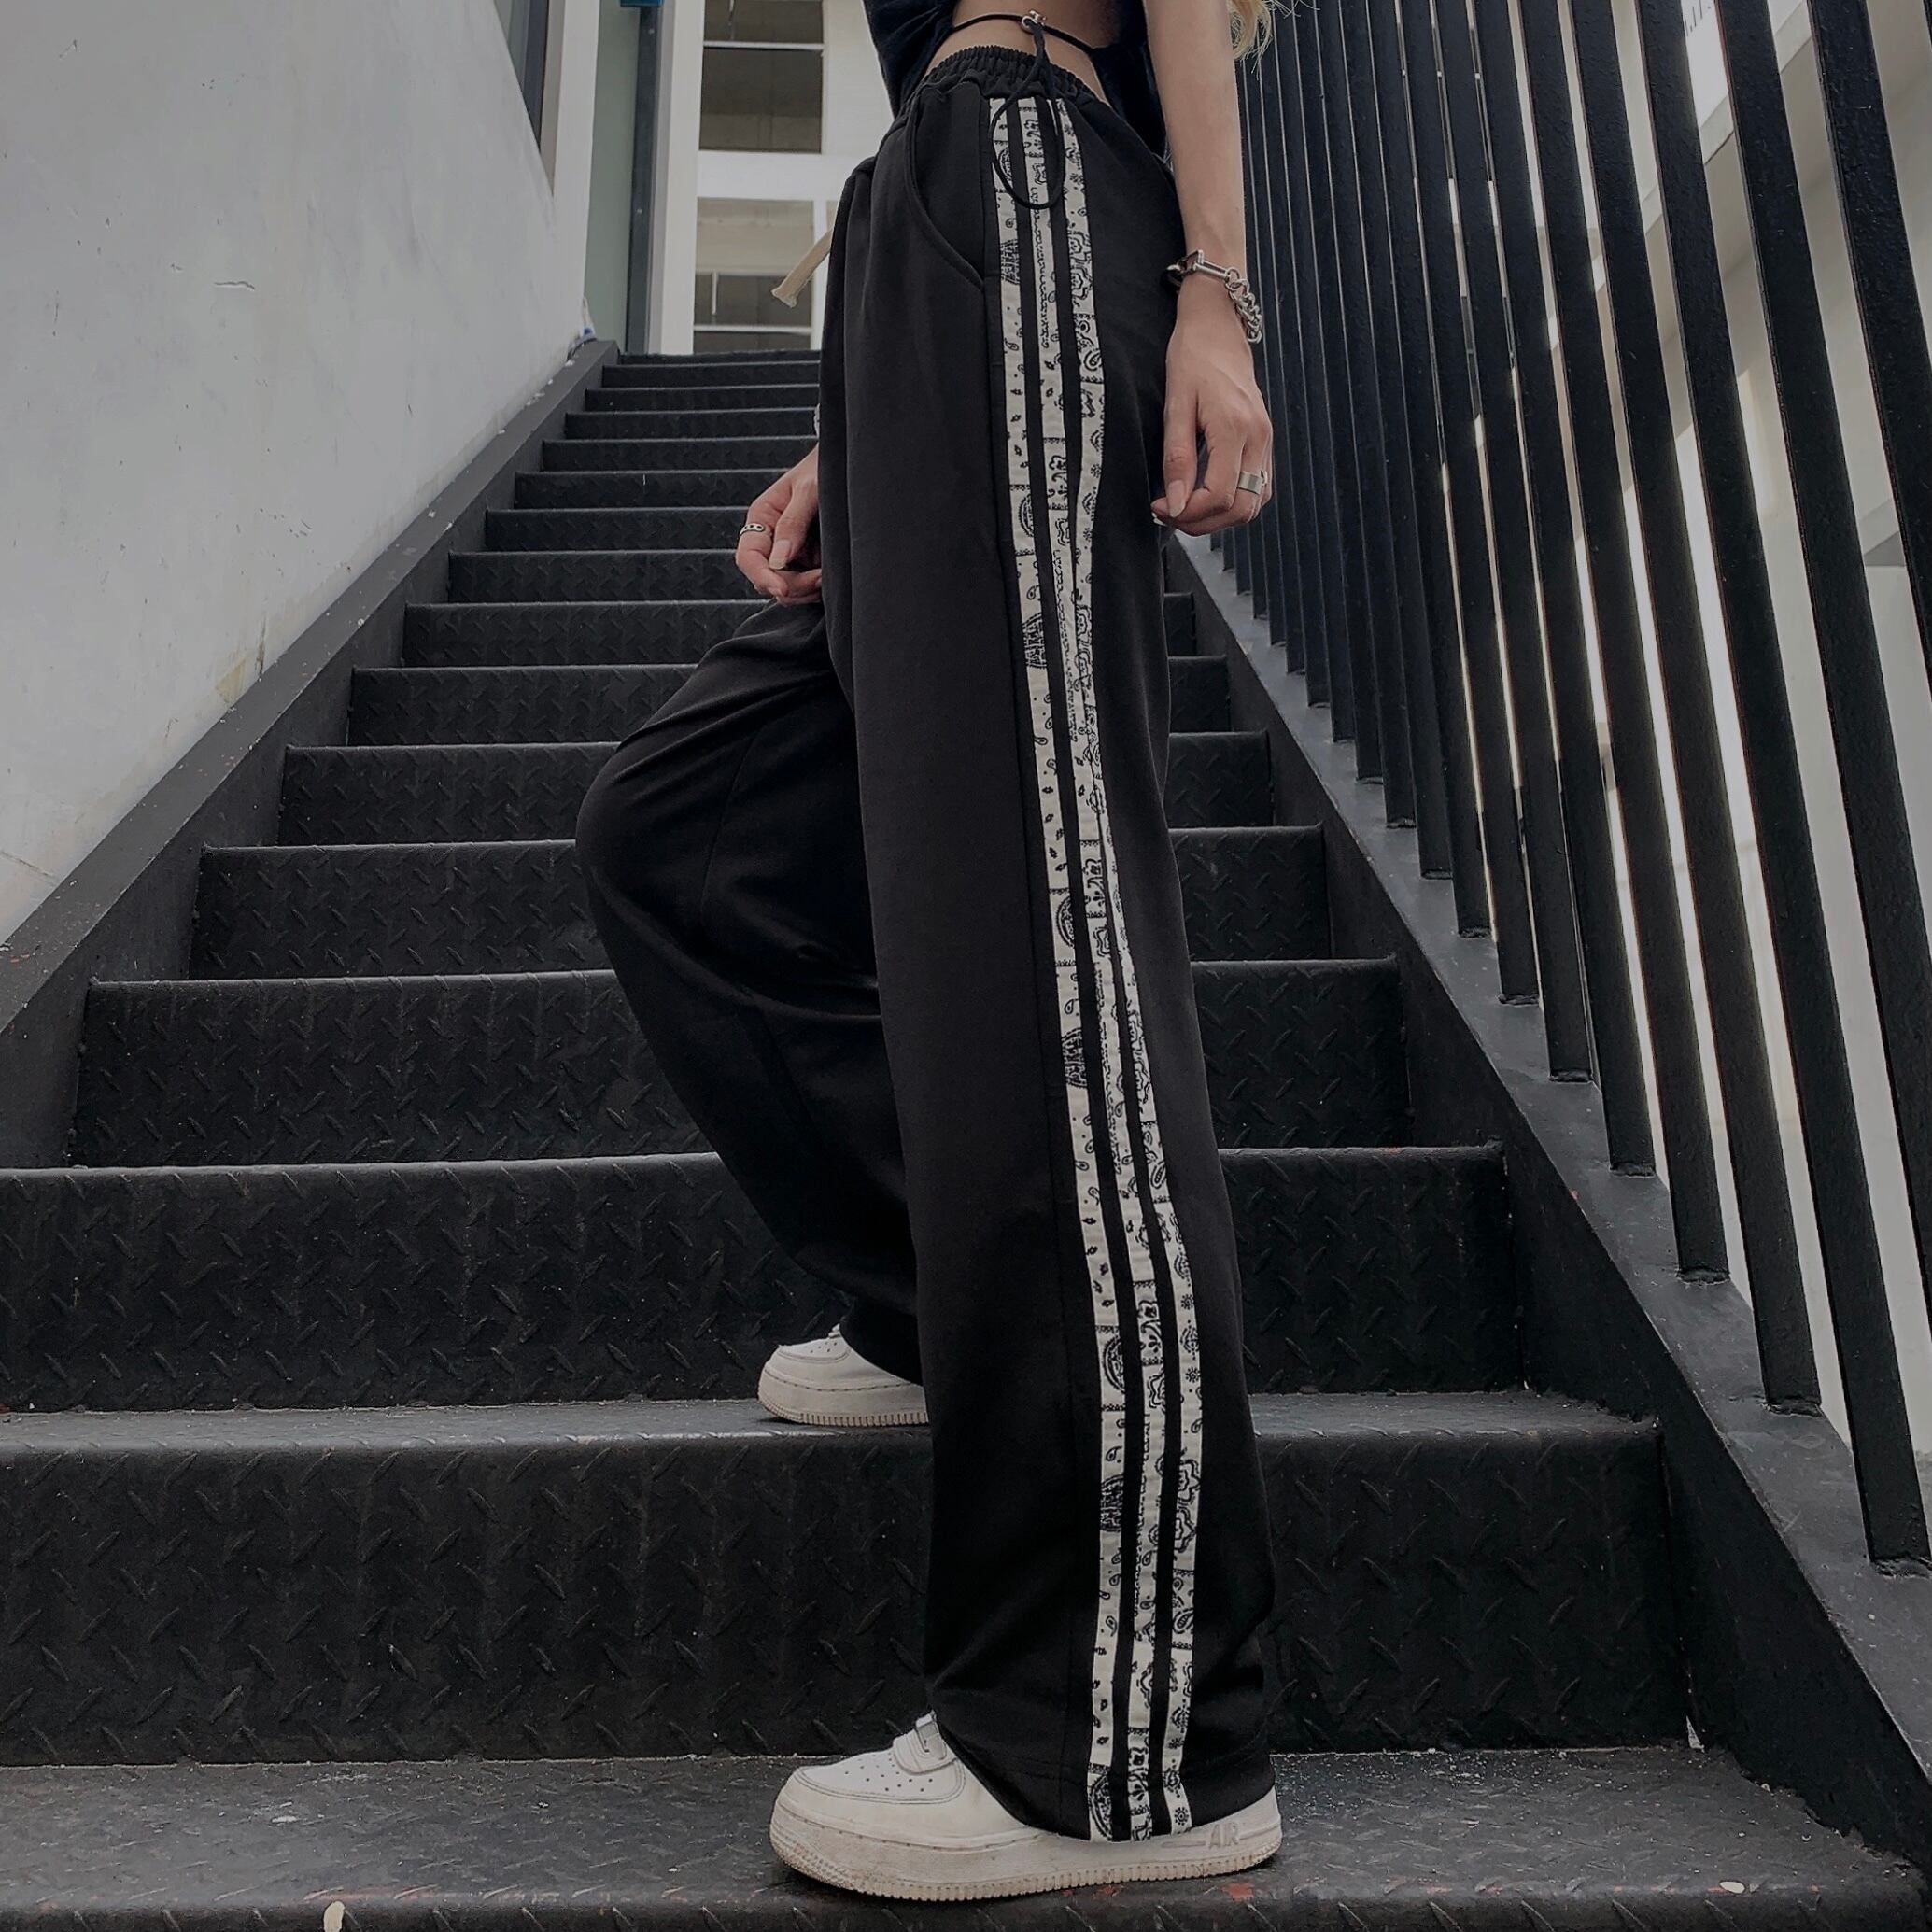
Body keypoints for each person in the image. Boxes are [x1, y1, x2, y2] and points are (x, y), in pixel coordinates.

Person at [575, 0, 1278, 1900]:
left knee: (1041, 943)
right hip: (931, 237)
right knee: (682, 838)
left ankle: (1117, 1748)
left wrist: (1214, 293)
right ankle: (930, 1294)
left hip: (1029, 172)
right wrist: (855, 418)